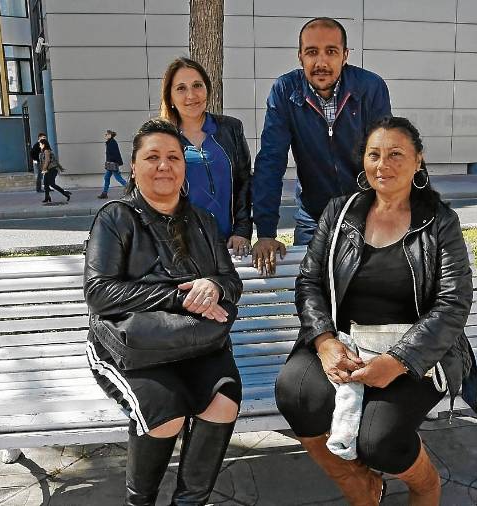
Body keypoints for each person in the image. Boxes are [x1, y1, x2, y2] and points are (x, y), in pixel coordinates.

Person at [275, 116, 477, 506]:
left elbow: (453, 303)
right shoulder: (340, 213)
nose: (383, 165)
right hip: (344, 341)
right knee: (295, 393)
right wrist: (324, 342)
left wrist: (399, 361)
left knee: (379, 441)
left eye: (396, 154)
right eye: (374, 154)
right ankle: (361, 488)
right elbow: (309, 283)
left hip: (416, 349)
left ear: (418, 161)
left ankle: (425, 486)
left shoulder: (440, 223)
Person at [84, 118, 243, 505]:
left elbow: (230, 281)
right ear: (134, 167)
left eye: (173, 156)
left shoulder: (203, 222)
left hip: (196, 343)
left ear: (184, 167)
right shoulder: (116, 217)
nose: (164, 165)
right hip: (132, 348)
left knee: (223, 403)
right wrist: (178, 296)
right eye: (152, 157)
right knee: (166, 415)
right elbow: (99, 292)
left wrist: (214, 286)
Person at [251, 17, 391, 275]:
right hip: (313, 216)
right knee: (309, 286)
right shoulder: (285, 91)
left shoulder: (370, 88)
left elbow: (385, 159)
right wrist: (266, 232)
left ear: (345, 55)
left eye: (331, 52)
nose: (321, 62)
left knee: (367, 291)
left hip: (366, 212)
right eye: (312, 52)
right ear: (300, 56)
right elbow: (271, 161)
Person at [159, 57, 253, 257]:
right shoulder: (161, 138)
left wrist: (242, 231)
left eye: (197, 85)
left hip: (228, 246)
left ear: (207, 89)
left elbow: (244, 184)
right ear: (170, 97)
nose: (191, 95)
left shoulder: (231, 129)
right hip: (182, 250)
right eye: (181, 88)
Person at [38, 139, 71, 204]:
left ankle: (65, 193)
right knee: (46, 184)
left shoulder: (47, 151)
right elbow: (53, 161)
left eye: (40, 144)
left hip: (52, 170)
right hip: (49, 170)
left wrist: (44, 169)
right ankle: (47, 197)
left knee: (51, 184)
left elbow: (47, 161)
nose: (39, 146)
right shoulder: (44, 152)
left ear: (43, 144)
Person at [98, 129, 127, 199]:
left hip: (113, 164)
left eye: (106, 134)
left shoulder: (112, 142)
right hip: (110, 164)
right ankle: (104, 193)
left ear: (110, 135)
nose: (105, 135)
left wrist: (116, 163)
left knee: (118, 178)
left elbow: (116, 154)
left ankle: (130, 190)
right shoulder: (109, 142)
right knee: (107, 177)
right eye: (105, 134)